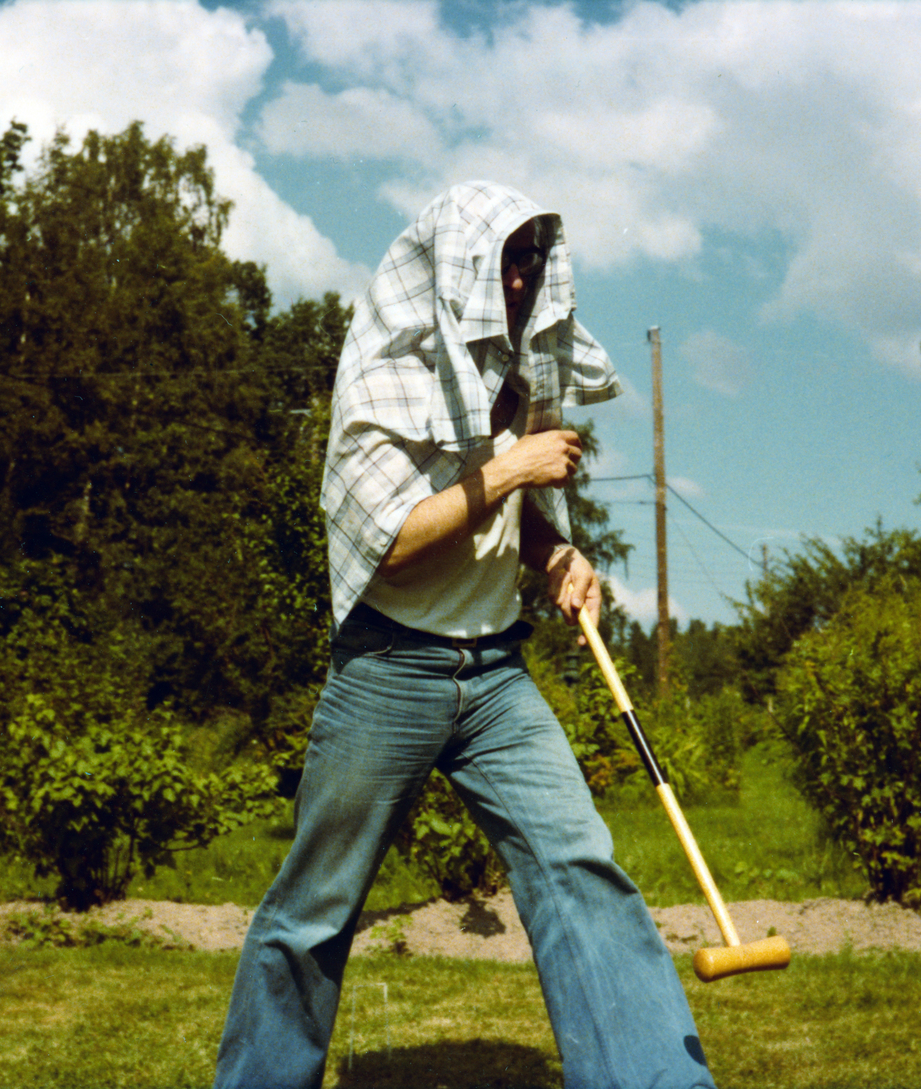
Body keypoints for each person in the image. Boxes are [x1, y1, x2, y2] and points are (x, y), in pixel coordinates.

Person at [213, 181, 714, 1089]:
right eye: (504, 261)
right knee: (315, 909)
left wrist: (557, 553)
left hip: (496, 677)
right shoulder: (384, 372)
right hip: (388, 665)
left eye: (532, 259)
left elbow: (505, 517)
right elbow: (392, 541)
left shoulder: (518, 375)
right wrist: (516, 462)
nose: (520, 280)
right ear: (459, 269)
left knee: (580, 868)